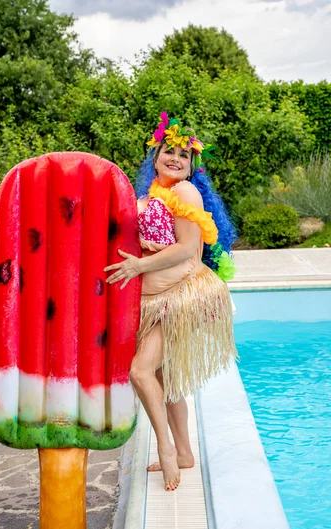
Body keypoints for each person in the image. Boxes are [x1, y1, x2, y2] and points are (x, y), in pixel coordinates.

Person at [104, 112, 238, 492]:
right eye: (169, 151)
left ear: (192, 164)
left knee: (141, 372)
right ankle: (183, 452)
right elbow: (167, 241)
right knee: (165, 378)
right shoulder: (151, 195)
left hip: (178, 296)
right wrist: (145, 248)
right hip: (157, 296)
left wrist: (140, 265)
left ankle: (164, 448)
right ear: (156, 155)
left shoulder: (185, 192)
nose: (176, 158)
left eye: (184, 154)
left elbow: (186, 251)